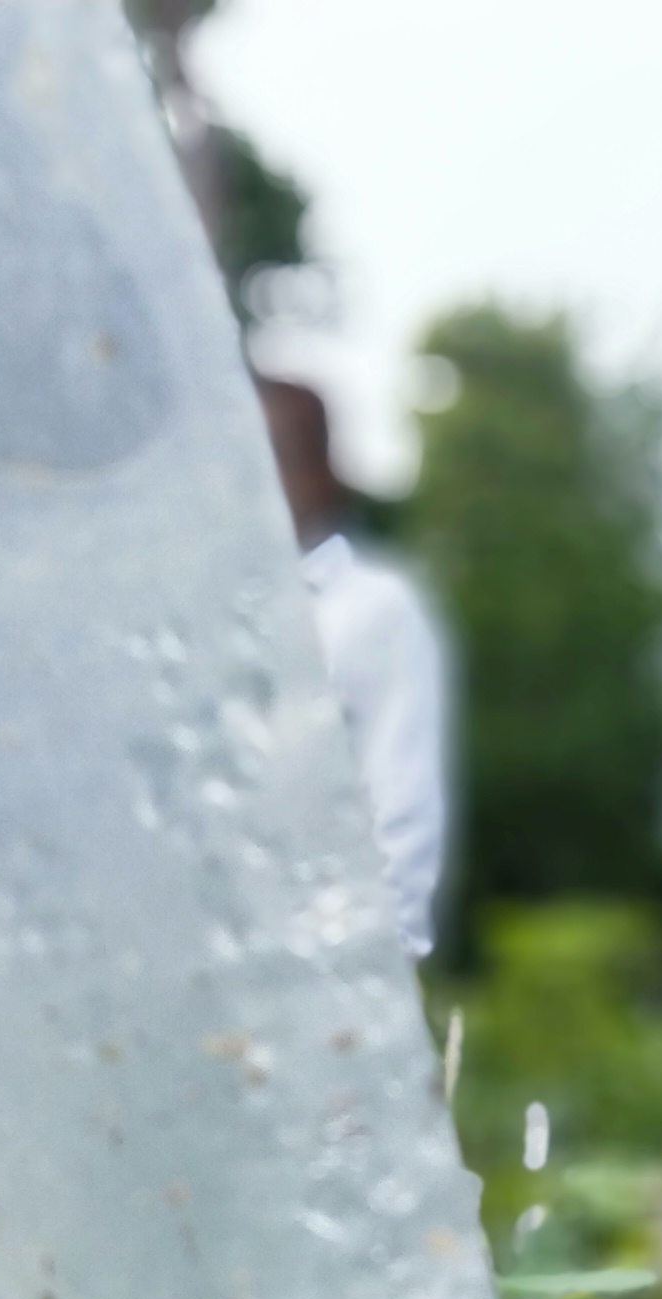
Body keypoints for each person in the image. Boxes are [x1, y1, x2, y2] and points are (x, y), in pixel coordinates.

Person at [260, 374, 453, 959]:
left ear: (325, 474)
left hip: (323, 976)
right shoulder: (204, 610)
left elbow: (404, 806)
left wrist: (371, 971)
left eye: (279, 458)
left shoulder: (370, 610)